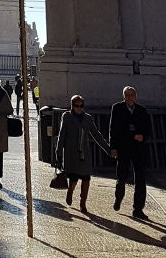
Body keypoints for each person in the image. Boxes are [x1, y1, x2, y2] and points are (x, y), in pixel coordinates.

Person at [55, 94, 111, 213]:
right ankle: (70, 191)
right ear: (72, 106)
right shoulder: (67, 116)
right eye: (77, 106)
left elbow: (96, 135)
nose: (79, 108)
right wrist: (58, 153)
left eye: (81, 106)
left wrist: (108, 149)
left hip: (84, 154)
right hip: (71, 154)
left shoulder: (87, 118)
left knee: (86, 179)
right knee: (74, 179)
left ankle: (83, 203)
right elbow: (62, 135)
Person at [109, 85, 151, 220]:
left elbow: (148, 128)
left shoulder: (142, 110)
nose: (129, 98)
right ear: (124, 96)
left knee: (140, 178)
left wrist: (142, 136)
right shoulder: (117, 108)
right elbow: (113, 128)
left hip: (138, 148)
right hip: (123, 147)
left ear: (135, 97)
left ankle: (138, 209)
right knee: (122, 176)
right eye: (127, 95)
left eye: (132, 95)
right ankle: (118, 198)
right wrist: (113, 147)